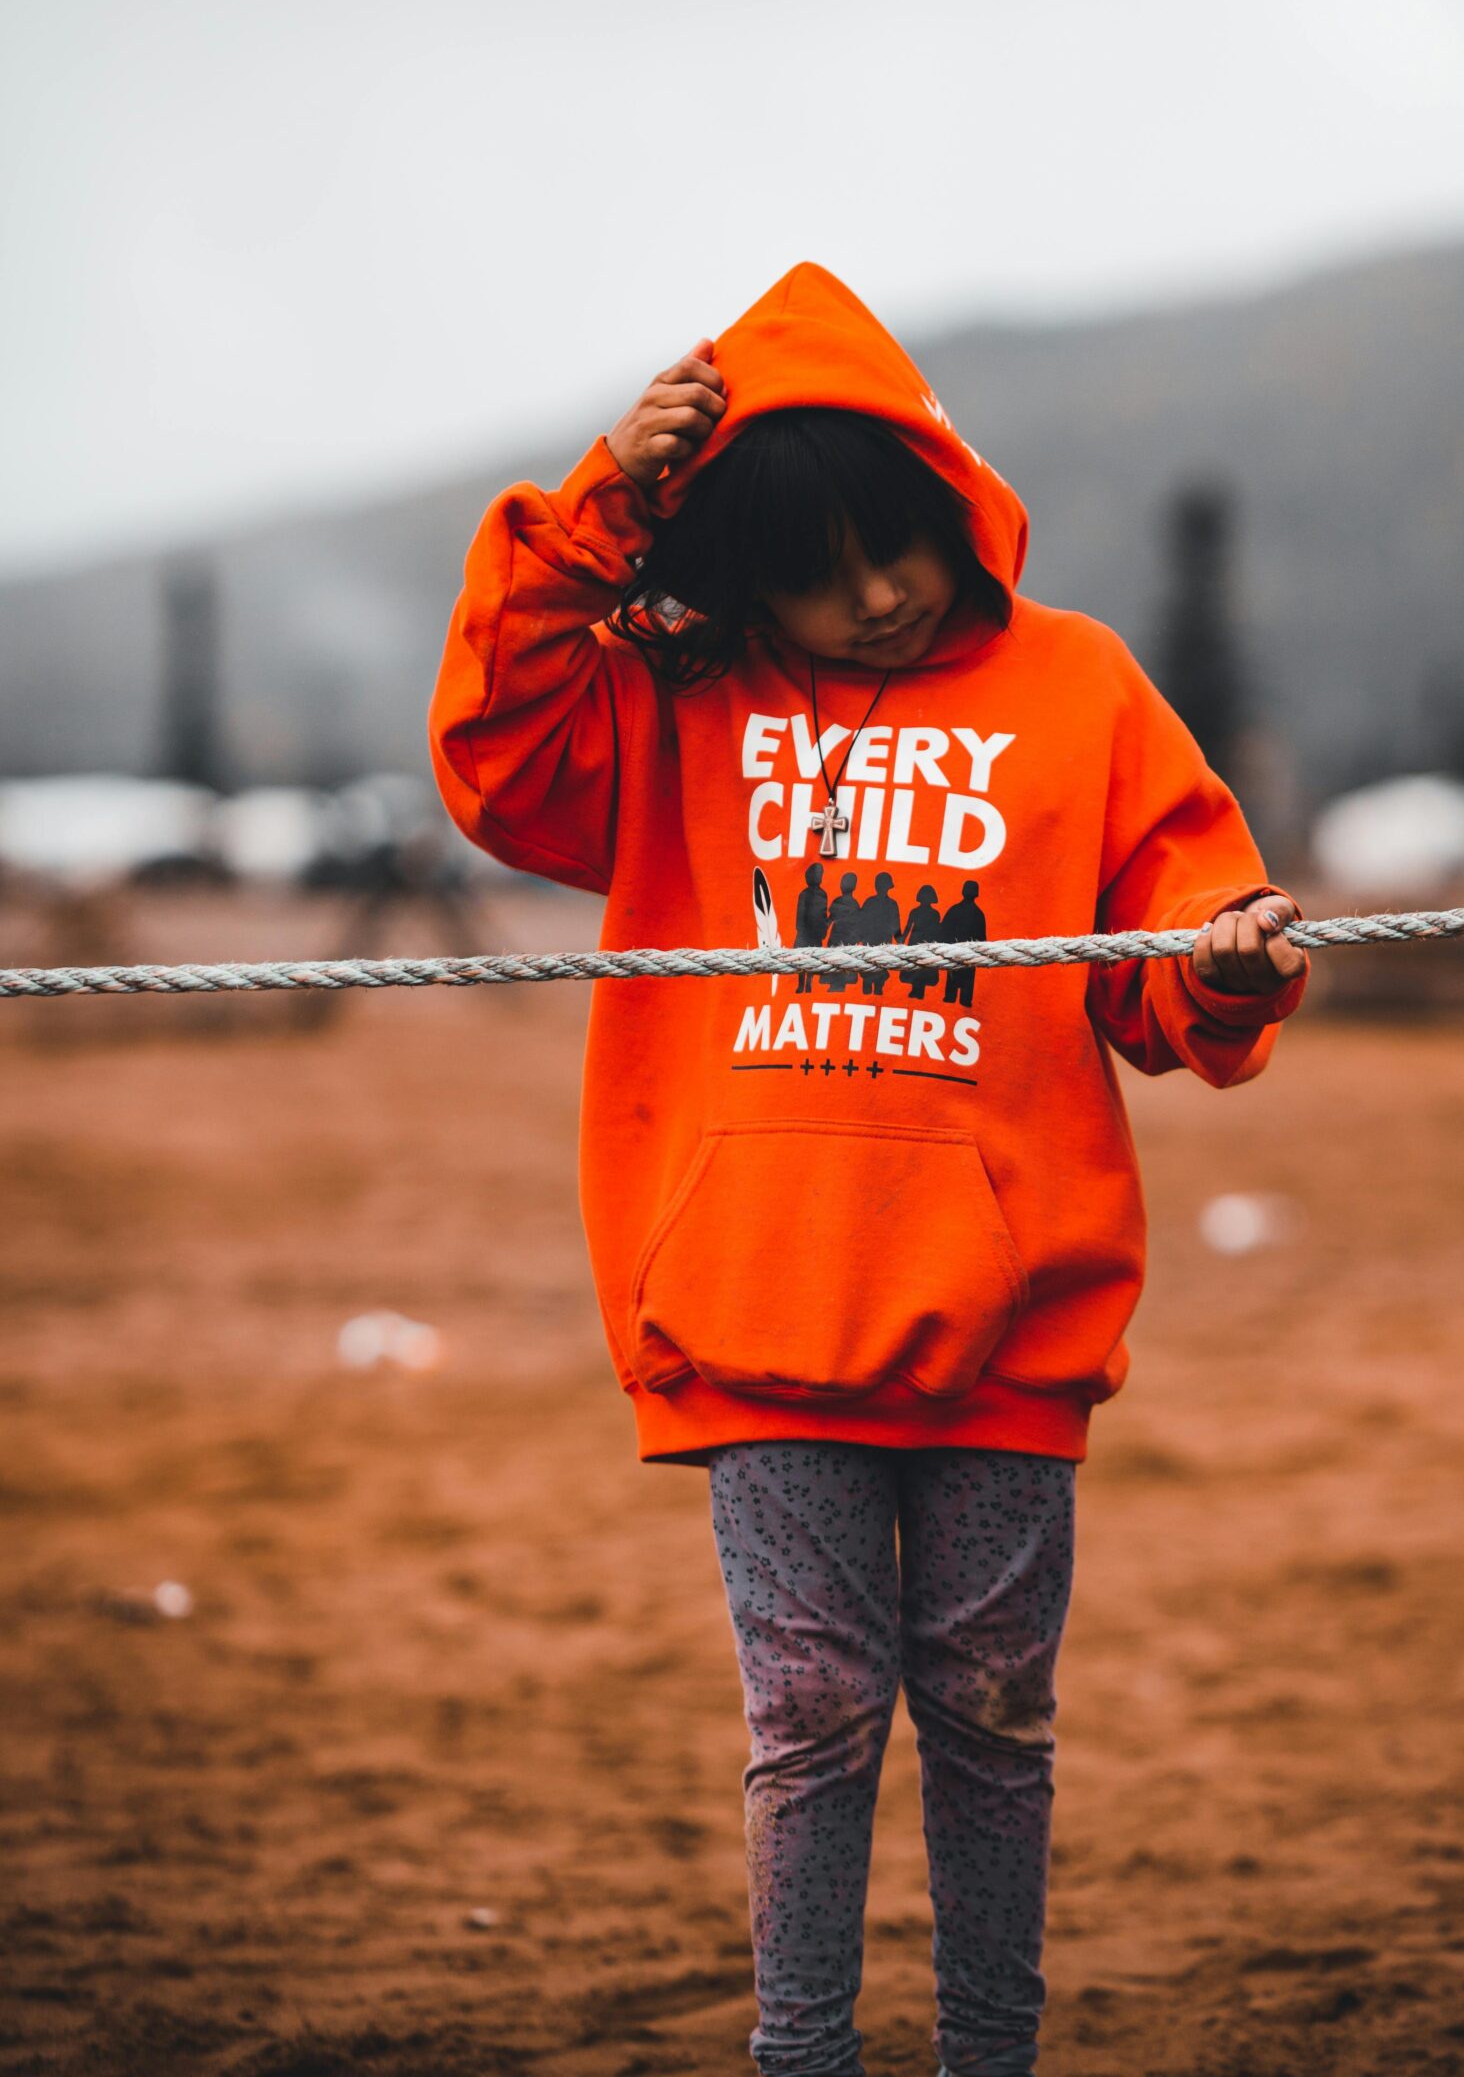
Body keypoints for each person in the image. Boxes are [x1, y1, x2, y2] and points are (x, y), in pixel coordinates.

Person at [430, 262, 1310, 2077]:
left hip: (1007, 1319)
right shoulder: (674, 704)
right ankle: (798, 2056)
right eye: (813, 573)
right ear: (741, 578)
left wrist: (1219, 963)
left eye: (892, 544)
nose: (873, 598)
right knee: (809, 1715)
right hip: (755, 1308)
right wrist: (602, 505)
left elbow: (1168, 943)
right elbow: (497, 757)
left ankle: (991, 2051)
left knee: (994, 1717)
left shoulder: (1079, 688)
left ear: (948, 497)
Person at [938, 877, 986, 1009]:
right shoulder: (979, 914)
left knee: (953, 979)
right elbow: (982, 939)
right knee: (967, 981)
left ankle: (950, 998)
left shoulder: (955, 910)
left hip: (954, 952)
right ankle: (964, 1001)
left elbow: (944, 929)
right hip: (970, 955)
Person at [793, 859, 829, 990]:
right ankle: (801, 983)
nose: (818, 877)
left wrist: (823, 930)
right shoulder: (804, 894)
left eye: (820, 874)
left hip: (816, 933)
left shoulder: (823, 894)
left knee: (813, 960)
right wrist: (800, 929)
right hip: (805, 933)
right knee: (801, 959)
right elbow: (800, 914)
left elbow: (823, 914)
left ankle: (808, 983)